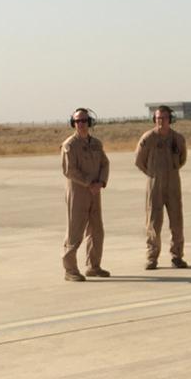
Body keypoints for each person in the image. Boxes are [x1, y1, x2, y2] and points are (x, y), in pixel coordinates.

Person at [135, 105, 188, 270]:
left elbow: (182, 159)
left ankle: (177, 256)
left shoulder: (177, 139)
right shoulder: (148, 138)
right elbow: (139, 161)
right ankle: (152, 258)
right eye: (158, 118)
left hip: (173, 184)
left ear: (170, 120)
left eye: (164, 118)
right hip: (155, 184)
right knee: (153, 223)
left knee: (176, 222)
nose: (161, 121)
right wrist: (152, 174)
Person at [61, 107, 111, 281]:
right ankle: (70, 270)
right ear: (73, 124)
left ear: (89, 122)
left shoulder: (96, 144)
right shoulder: (70, 145)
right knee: (75, 231)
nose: (81, 124)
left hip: (95, 192)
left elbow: (105, 163)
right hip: (78, 193)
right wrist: (89, 183)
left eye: (84, 121)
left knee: (97, 230)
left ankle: (93, 266)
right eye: (77, 121)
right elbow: (70, 170)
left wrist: (101, 182)